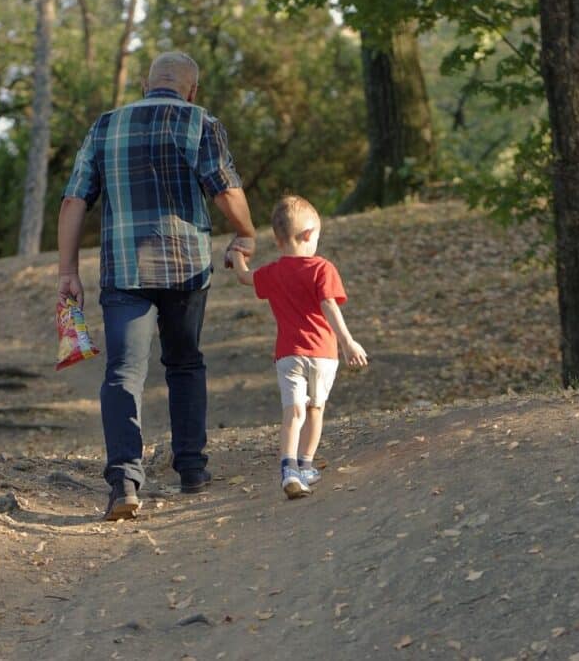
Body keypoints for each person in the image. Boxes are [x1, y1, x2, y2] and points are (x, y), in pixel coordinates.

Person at [58, 52, 257, 520]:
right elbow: (225, 189)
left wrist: (67, 272)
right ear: (192, 90)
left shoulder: (106, 125)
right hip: (186, 268)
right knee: (185, 363)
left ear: (147, 85)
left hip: (124, 271)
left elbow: (73, 200)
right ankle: (191, 469)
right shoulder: (199, 121)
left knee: (124, 373)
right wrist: (245, 233)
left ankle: (125, 482)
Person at [227, 195, 368, 499]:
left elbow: (243, 277)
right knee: (315, 409)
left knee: (293, 411)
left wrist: (238, 254)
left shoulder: (274, 272)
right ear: (308, 235)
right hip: (322, 354)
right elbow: (328, 305)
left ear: (277, 241)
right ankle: (306, 465)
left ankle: (288, 468)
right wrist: (347, 341)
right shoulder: (322, 269)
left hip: (288, 354)